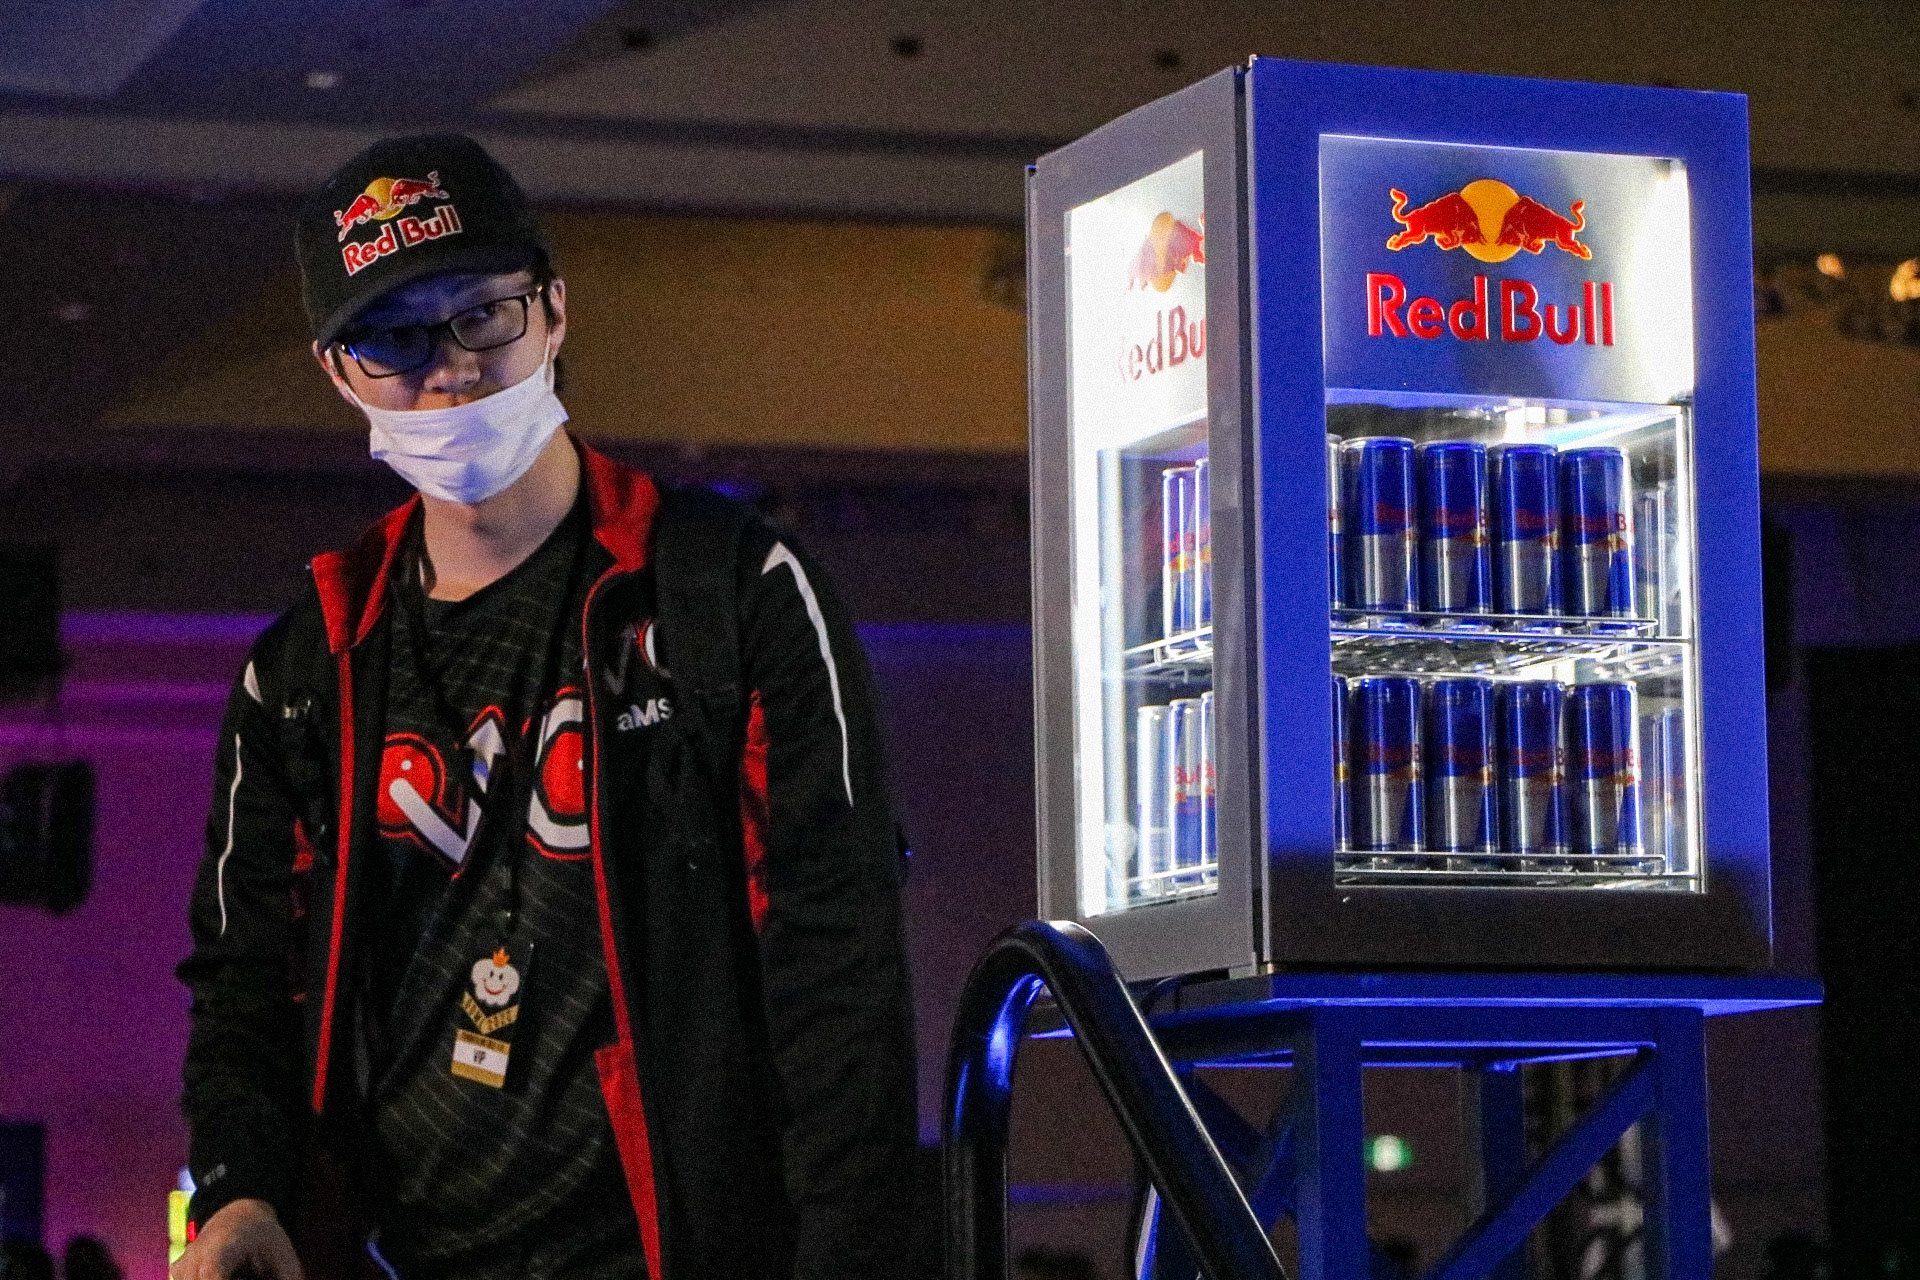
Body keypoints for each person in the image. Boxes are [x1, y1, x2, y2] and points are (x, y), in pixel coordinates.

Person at [172, 134, 918, 1280]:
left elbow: (839, 957)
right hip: (399, 1249)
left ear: (554, 311)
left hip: (682, 1247)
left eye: (482, 315)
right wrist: (239, 1190)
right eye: (393, 339)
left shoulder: (727, 587)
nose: (451, 371)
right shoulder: (308, 663)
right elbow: (246, 978)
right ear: (336, 370)